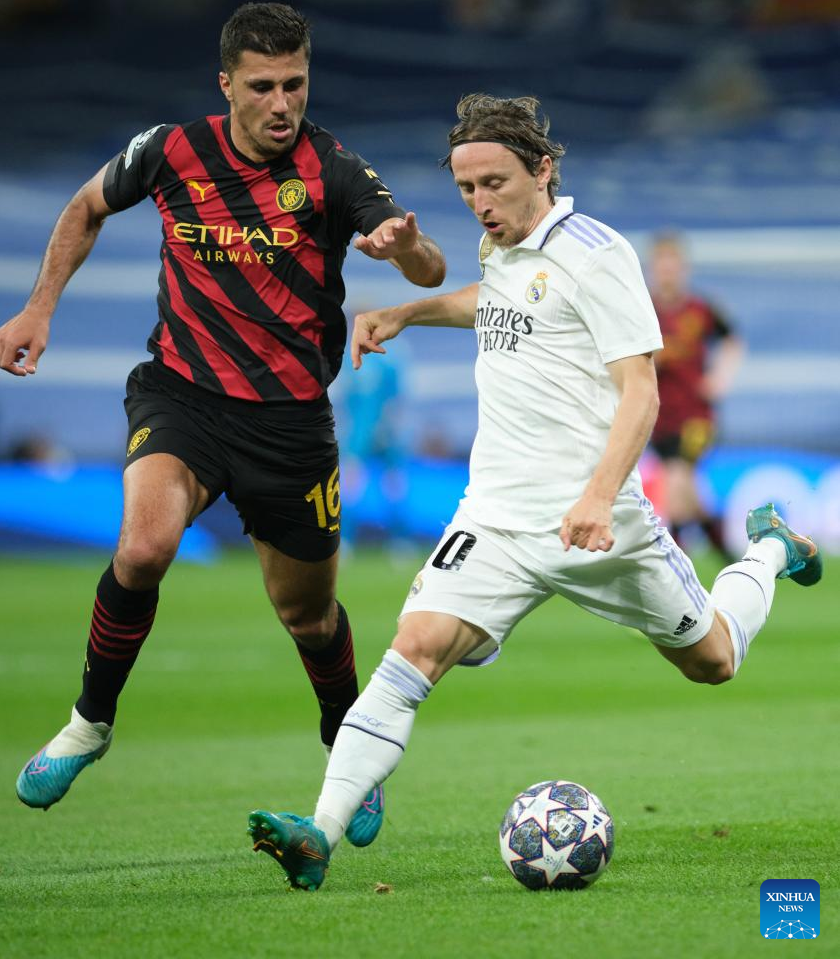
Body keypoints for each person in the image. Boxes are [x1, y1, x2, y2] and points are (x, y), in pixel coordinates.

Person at [246, 93, 821, 890]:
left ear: (542, 170)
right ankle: (321, 834)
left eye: (495, 183)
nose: (480, 203)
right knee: (413, 650)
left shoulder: (598, 254)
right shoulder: (503, 248)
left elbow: (641, 392)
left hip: (598, 522)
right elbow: (497, 304)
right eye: (466, 189)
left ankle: (770, 548)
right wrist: (409, 312)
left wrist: (597, 497)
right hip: (495, 518)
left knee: (714, 660)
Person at [0, 2, 446, 845]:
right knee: (142, 550)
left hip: (290, 425)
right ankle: (88, 724)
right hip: (183, 397)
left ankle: (348, 748)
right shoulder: (172, 151)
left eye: (296, 84)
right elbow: (86, 206)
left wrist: (405, 248)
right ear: (227, 84)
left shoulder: (333, 169)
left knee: (309, 617)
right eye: (264, 86)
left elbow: (431, 265)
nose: (283, 104)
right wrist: (37, 308)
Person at [649, 232, 744, 557]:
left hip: (696, 416)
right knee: (689, 498)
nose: (667, 272)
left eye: (672, 265)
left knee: (676, 488)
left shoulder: (700, 309)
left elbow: (732, 340)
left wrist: (720, 377)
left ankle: (677, 571)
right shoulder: (644, 310)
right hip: (659, 417)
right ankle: (730, 557)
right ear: (653, 269)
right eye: (662, 265)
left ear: (683, 268)